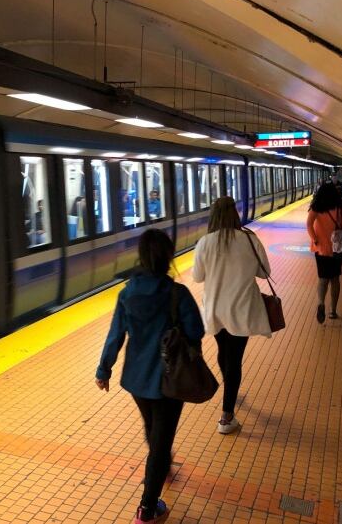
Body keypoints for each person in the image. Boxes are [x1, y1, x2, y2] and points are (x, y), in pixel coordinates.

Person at [95, 229, 204, 524]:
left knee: (153, 428)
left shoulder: (126, 294)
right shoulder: (176, 294)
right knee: (160, 443)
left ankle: (162, 466)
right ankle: (146, 509)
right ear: (169, 258)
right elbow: (196, 331)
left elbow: (115, 335)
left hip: (137, 381)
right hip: (171, 381)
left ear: (141, 258)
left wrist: (103, 370)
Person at [192, 196, 272, 435]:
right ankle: (226, 417)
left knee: (223, 353)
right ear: (235, 214)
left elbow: (198, 277)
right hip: (242, 309)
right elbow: (265, 272)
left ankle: (230, 391)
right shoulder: (249, 239)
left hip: (215, 309)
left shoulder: (205, 242)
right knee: (234, 359)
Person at [306, 182, 342, 323]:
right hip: (337, 249)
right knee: (335, 279)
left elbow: (309, 224)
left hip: (321, 248)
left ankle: (321, 302)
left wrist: (315, 239)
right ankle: (333, 311)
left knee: (322, 278)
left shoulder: (317, 206)